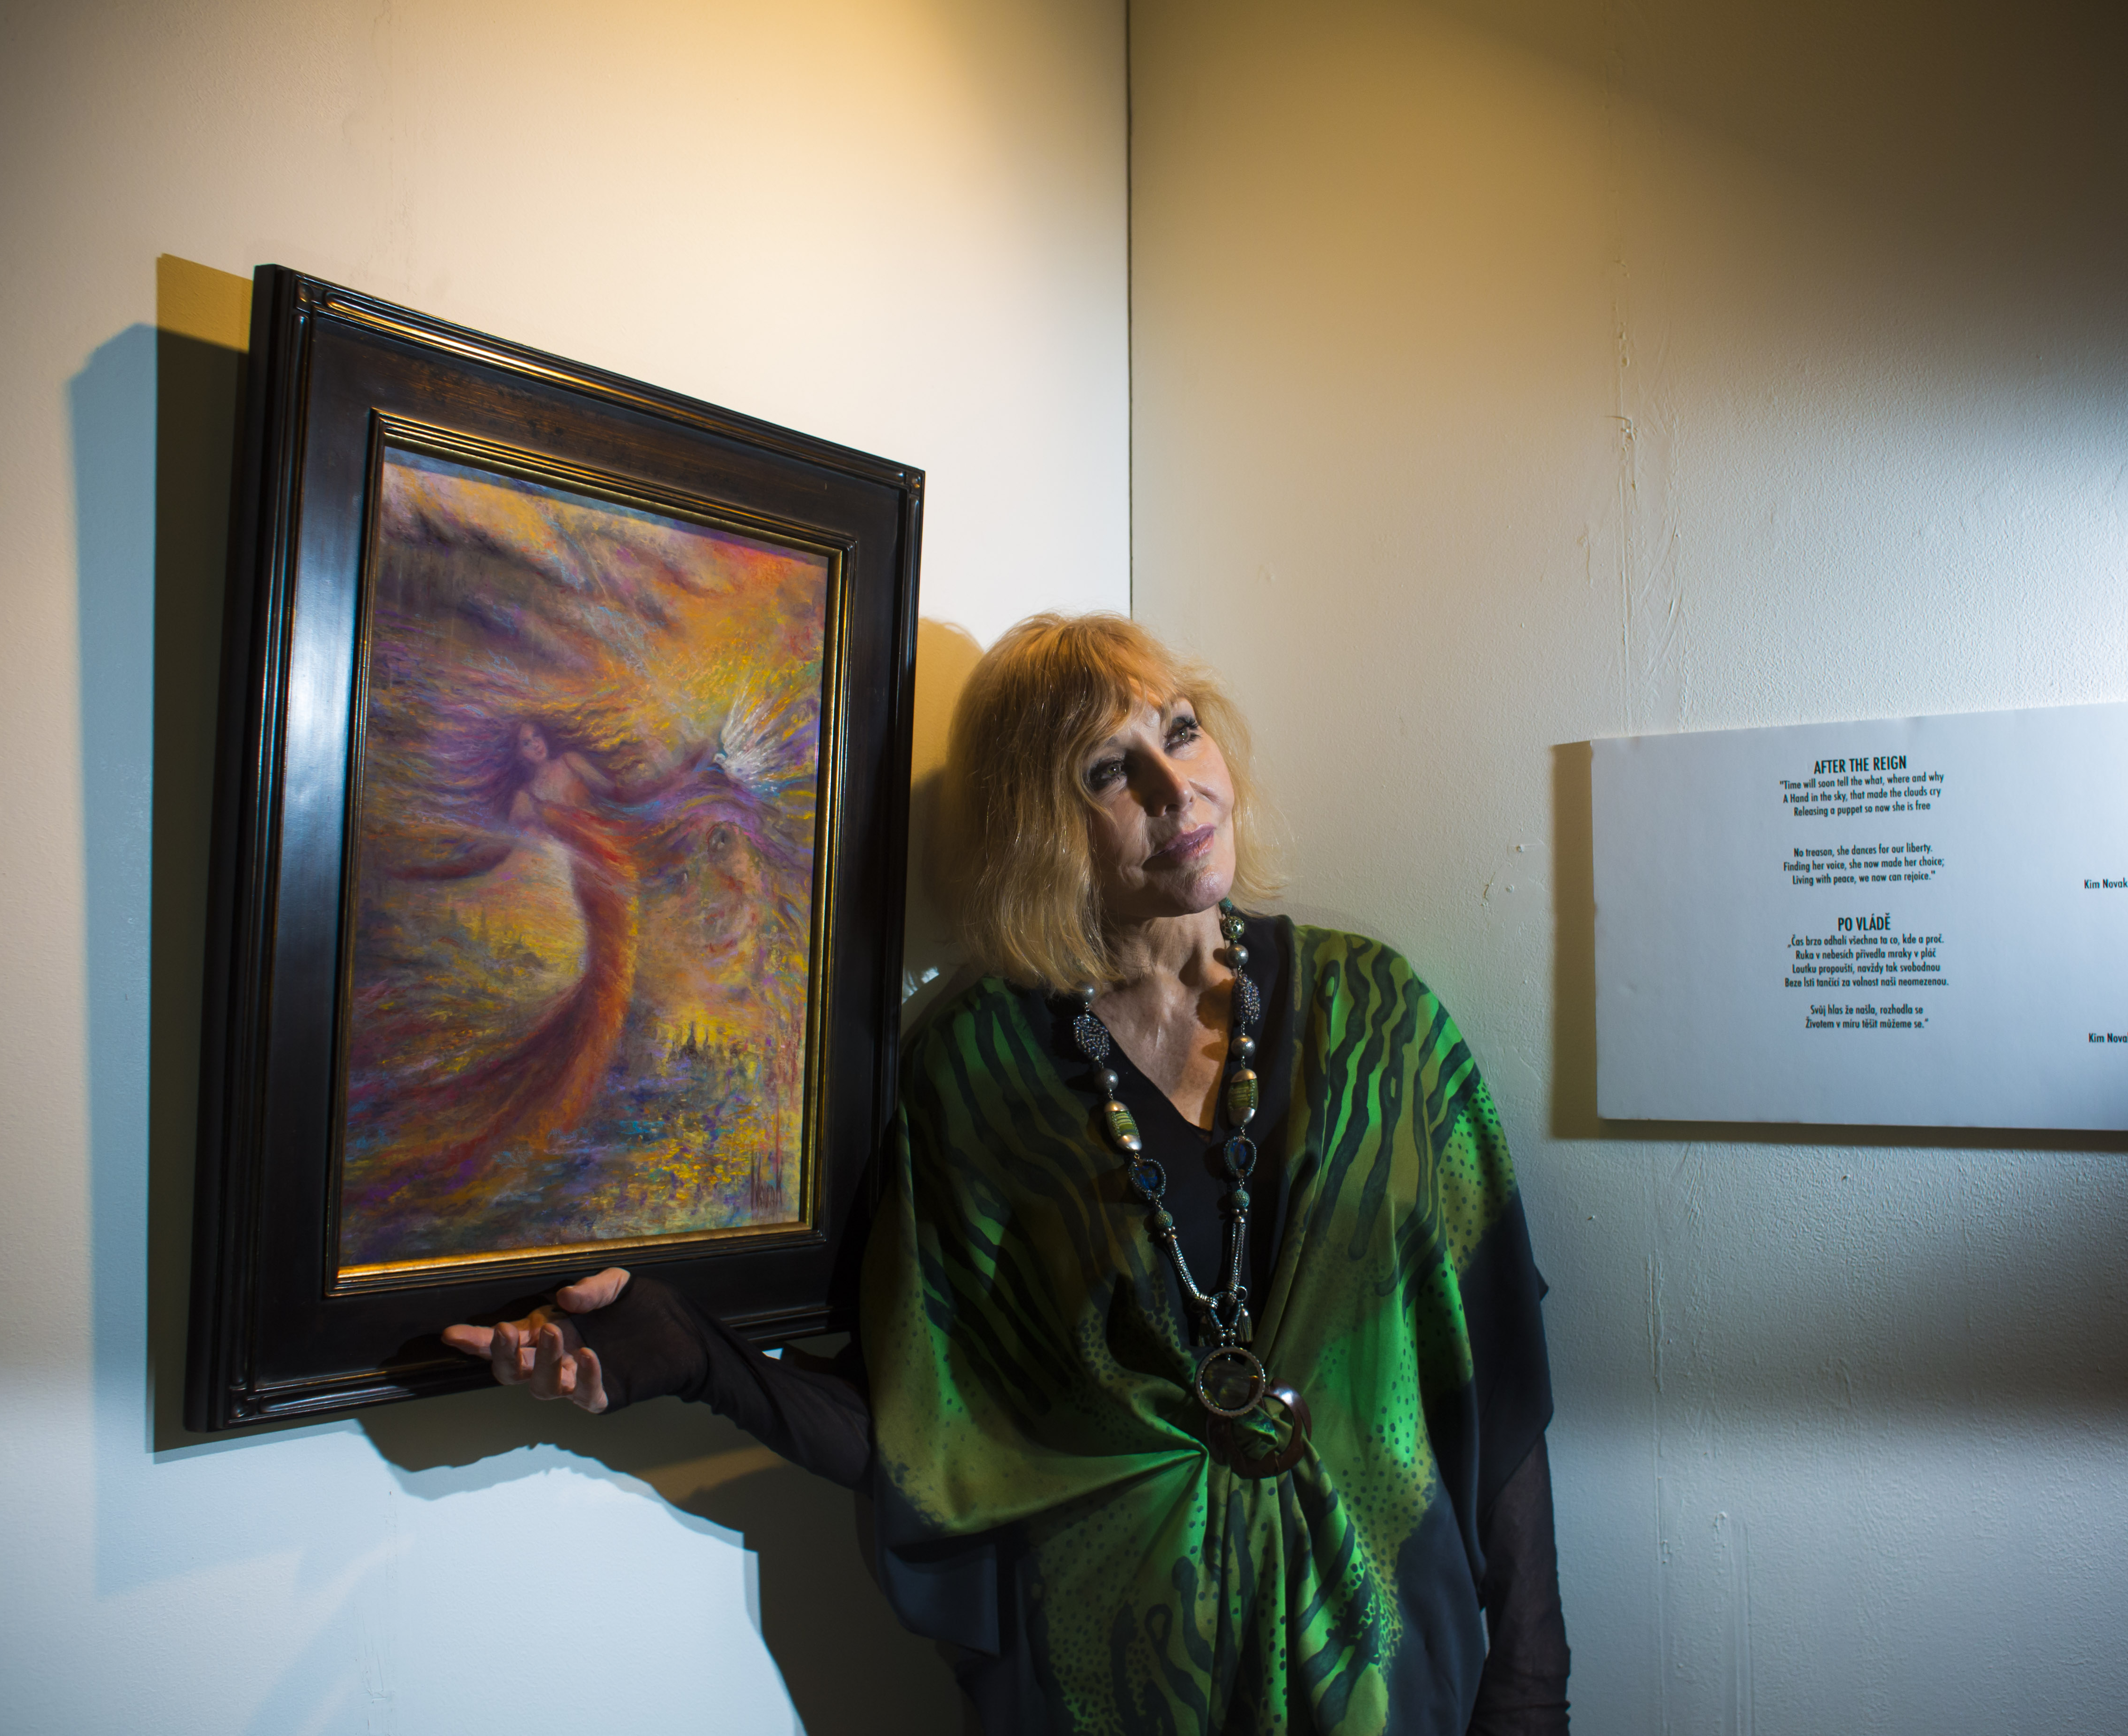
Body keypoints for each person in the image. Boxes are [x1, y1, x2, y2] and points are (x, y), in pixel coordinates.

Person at [444, 614, 1570, 1733]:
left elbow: (1496, 1372)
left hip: (1385, 1667)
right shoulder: (978, 1069)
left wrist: (1529, 1695)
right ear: (1043, 827)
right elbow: (930, 1426)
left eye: (1179, 731)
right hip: (1118, 1684)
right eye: (1107, 770)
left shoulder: (1380, 1022)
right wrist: (699, 1358)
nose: (1176, 788)